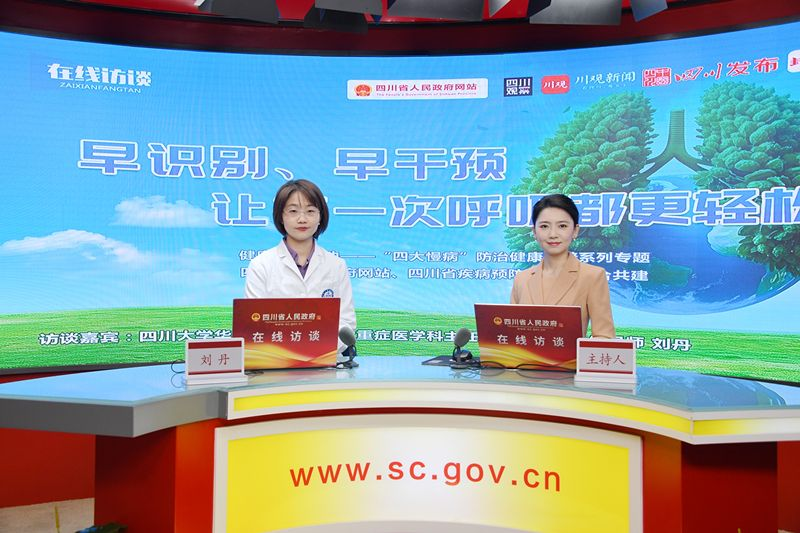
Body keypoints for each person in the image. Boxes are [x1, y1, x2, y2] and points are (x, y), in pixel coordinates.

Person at [245, 179, 356, 354]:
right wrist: (291, 354)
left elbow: (346, 323)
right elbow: (254, 323)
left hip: (326, 360)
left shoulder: (336, 265)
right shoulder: (261, 265)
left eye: (310, 211)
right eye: (293, 211)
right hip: (275, 361)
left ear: (320, 217)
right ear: (281, 217)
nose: (302, 219)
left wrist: (315, 352)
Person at [510, 194, 615, 338]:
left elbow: (605, 336)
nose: (553, 234)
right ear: (534, 232)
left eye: (562, 226)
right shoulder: (521, 279)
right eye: (544, 226)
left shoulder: (592, 276)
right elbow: (512, 333)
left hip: (572, 353)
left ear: (575, 231)